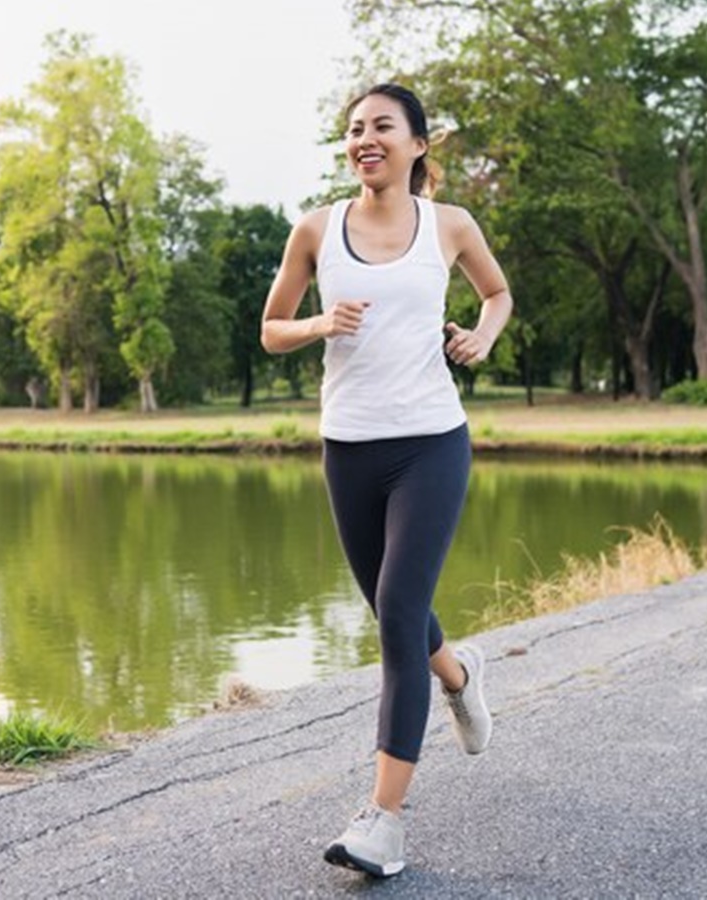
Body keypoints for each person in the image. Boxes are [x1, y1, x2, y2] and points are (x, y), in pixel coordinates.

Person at [260, 82, 514, 878]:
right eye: (354, 129)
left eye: (381, 128)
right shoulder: (316, 229)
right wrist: (318, 324)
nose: (364, 139)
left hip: (432, 443)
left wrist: (481, 333)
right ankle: (460, 676)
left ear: (417, 144)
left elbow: (498, 293)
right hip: (350, 448)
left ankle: (384, 821)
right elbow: (271, 329)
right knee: (392, 609)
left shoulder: (451, 225)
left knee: (398, 614)